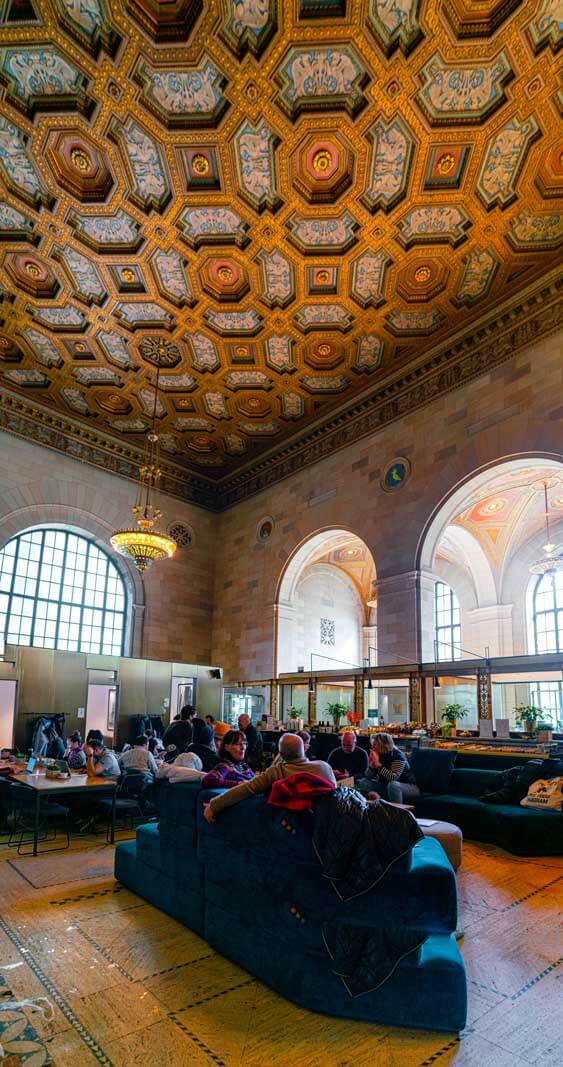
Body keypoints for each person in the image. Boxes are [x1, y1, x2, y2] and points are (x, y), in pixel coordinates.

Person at [204, 733, 336, 821]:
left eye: (244, 743)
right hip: (327, 823)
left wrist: (214, 805)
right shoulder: (324, 767)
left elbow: (247, 789)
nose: (243, 747)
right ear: (304, 749)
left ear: (281, 755)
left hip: (291, 828)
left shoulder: (277, 772)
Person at [356, 733, 420, 804]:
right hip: (386, 785)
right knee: (362, 782)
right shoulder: (379, 755)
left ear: (382, 745)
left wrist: (378, 765)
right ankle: (373, 807)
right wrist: (372, 765)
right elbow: (368, 776)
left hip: (408, 786)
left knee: (393, 785)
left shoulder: (398, 756)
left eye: (375, 744)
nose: (372, 747)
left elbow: (393, 778)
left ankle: (396, 812)